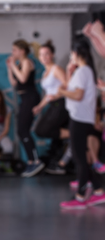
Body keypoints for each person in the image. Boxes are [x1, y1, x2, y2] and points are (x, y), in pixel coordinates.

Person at [58, 38, 105, 209]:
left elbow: (76, 95)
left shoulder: (84, 71)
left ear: (76, 53)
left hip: (80, 119)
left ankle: (80, 197)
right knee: (81, 158)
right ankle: (99, 191)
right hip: (81, 118)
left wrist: (61, 91)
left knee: (80, 160)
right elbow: (74, 89)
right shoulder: (84, 71)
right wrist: (69, 72)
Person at [32, 40, 70, 175]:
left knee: (44, 129)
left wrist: (58, 94)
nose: (44, 57)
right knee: (40, 130)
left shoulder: (57, 69)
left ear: (52, 55)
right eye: (41, 55)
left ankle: (74, 134)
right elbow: (48, 95)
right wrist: (40, 107)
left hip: (61, 103)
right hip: (53, 104)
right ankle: (69, 136)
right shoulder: (45, 73)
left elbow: (67, 85)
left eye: (47, 54)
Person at [7, 39, 43, 177]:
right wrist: (9, 67)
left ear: (22, 51)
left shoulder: (27, 62)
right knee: (22, 131)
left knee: (23, 130)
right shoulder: (20, 64)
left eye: (14, 50)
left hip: (31, 97)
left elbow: (23, 79)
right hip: (24, 98)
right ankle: (31, 161)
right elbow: (14, 83)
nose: (12, 53)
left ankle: (36, 161)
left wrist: (13, 65)